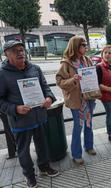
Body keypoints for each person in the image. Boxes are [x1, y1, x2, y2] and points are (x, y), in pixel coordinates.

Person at [0, 40, 59, 188]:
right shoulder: (2, 74)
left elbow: (46, 88)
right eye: (15, 51)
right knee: (23, 150)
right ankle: (29, 176)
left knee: (42, 144)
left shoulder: (35, 68)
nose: (20, 52)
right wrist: (15, 109)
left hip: (39, 115)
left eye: (21, 49)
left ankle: (44, 167)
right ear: (6, 54)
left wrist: (49, 98)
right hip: (20, 120)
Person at [56, 36, 96, 165]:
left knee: (89, 123)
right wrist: (73, 79)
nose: (86, 47)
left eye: (85, 45)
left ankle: (89, 146)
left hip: (89, 97)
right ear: (76, 46)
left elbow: (92, 75)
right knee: (78, 127)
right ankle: (76, 154)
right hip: (76, 100)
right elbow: (59, 81)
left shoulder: (87, 59)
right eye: (83, 45)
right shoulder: (66, 63)